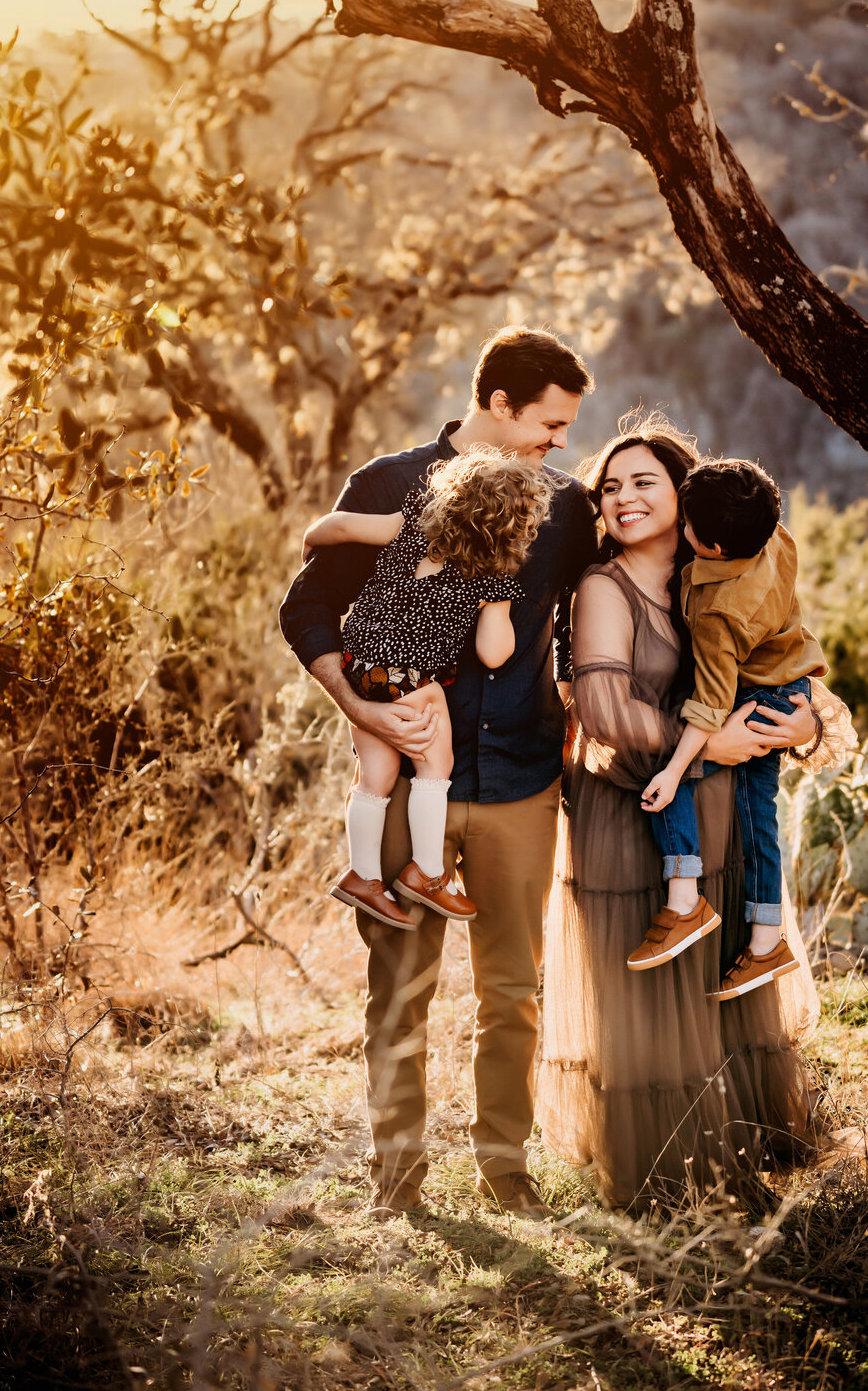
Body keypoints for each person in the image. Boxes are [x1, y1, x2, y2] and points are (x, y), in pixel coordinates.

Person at [280, 327, 597, 1219]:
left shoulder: (565, 510)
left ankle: (506, 1171)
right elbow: (305, 607)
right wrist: (361, 706)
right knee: (400, 991)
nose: (559, 443)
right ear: (499, 404)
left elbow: (594, 611)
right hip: (410, 772)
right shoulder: (387, 485)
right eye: (550, 423)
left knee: (512, 993)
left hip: (522, 781)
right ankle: (398, 1179)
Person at [538, 418, 822, 1212]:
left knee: (717, 985)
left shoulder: (732, 569)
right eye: (610, 486)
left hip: (721, 814)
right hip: (632, 812)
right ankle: (671, 1180)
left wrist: (806, 726)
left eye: (643, 482)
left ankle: (746, 1147)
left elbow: (793, 665)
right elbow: (603, 709)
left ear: (685, 493)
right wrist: (704, 746)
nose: (622, 498)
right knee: (655, 998)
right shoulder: (603, 587)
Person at [300, 450, 555, 932]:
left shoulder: (412, 520)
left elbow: (339, 526)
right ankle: (428, 873)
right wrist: (497, 606)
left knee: (373, 778)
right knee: (435, 768)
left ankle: (364, 876)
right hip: (412, 679)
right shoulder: (492, 572)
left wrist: (311, 539)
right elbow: (494, 654)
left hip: (358, 664)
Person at [637, 458, 855, 999]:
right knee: (762, 818)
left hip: (758, 695)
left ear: (712, 548)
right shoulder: (771, 531)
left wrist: (678, 765)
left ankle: (685, 900)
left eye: (688, 523)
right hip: (791, 685)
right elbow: (740, 499)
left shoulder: (719, 614)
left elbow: (710, 705)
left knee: (677, 773)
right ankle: (764, 940)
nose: (681, 526)